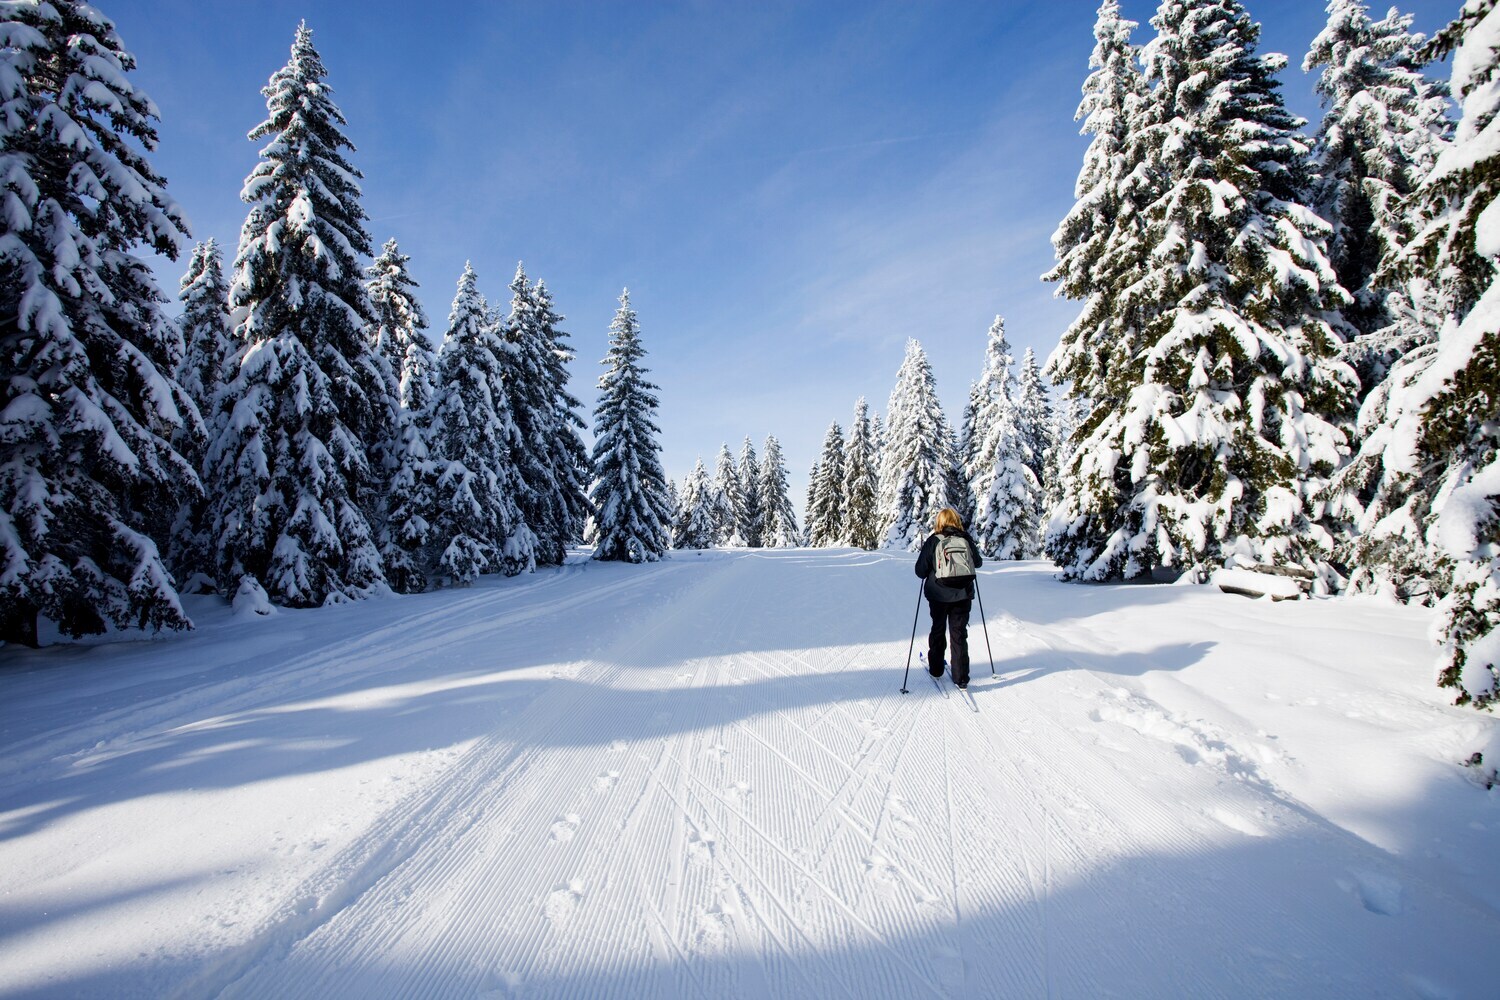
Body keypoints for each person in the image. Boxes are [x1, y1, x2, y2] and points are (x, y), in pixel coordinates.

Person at [914, 508, 983, 689]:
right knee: (959, 633)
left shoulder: (934, 541)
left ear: (939, 522)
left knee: (938, 629)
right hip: (962, 594)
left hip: (938, 594)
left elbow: (920, 571)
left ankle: (936, 669)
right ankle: (961, 677)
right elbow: (978, 563)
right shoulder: (965, 539)